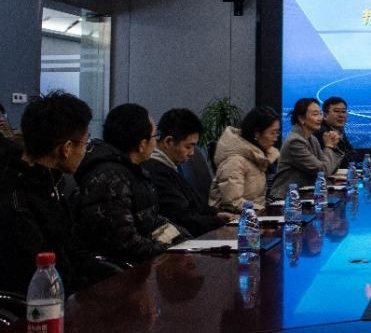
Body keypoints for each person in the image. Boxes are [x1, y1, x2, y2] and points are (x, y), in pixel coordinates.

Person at [0, 91, 114, 295]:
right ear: (66, 148)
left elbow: (75, 253)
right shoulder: (17, 201)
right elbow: (37, 279)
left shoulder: (52, 183)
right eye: (85, 143)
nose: (85, 151)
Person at [74, 103, 185, 264]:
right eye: (155, 136)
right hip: (122, 271)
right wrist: (173, 250)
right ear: (142, 144)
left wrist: (185, 241)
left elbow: (151, 218)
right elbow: (125, 244)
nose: (156, 142)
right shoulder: (111, 179)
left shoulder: (131, 170)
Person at [142, 108, 233, 237]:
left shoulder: (169, 167)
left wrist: (216, 214)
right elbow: (181, 217)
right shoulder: (156, 172)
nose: (192, 153)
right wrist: (217, 221)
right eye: (188, 146)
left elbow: (195, 206)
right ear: (168, 142)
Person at [208, 106, 280, 212]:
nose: (276, 138)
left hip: (254, 215)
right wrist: (265, 212)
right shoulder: (235, 161)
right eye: (272, 133)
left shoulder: (258, 157)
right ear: (257, 133)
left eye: (277, 132)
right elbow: (233, 202)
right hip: (235, 218)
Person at [270, 98, 344, 200]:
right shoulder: (295, 142)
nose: (320, 118)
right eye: (315, 114)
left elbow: (328, 168)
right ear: (301, 118)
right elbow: (322, 171)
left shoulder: (312, 139)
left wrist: (333, 147)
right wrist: (329, 147)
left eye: (320, 114)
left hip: (305, 196)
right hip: (286, 200)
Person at [319, 96, 358, 166]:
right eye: (336, 111)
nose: (341, 115)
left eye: (343, 111)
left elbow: (353, 154)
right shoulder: (323, 133)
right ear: (325, 116)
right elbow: (342, 162)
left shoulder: (338, 129)